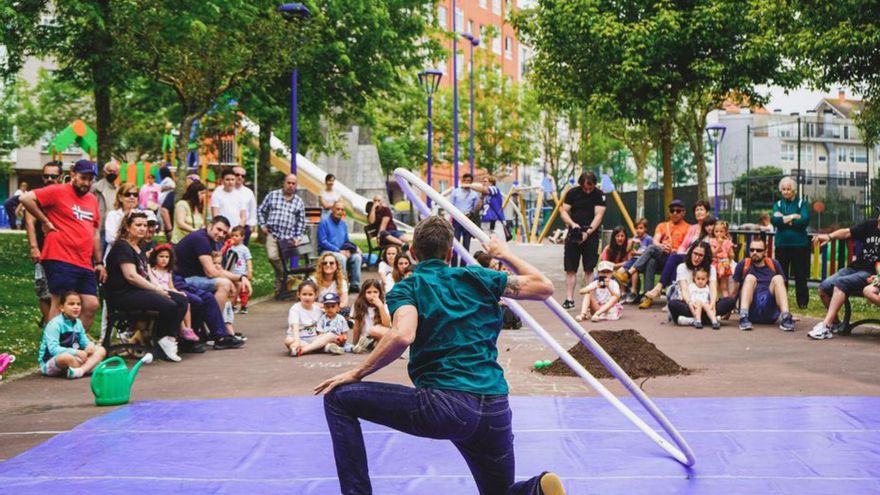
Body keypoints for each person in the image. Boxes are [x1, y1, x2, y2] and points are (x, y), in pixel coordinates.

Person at [314, 215, 565, 495]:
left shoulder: (409, 287)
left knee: (338, 399)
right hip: (494, 406)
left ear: (412, 253)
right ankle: (537, 491)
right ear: (449, 252)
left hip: (445, 404)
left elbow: (402, 335)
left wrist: (356, 373)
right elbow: (544, 287)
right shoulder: (477, 276)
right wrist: (504, 254)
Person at [19, 159, 106, 330]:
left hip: (84, 261)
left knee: (91, 304)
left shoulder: (92, 200)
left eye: (90, 179)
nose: (86, 183)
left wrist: (99, 262)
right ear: (72, 175)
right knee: (59, 303)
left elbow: (95, 232)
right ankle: (52, 348)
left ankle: (72, 342)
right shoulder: (57, 191)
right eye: (83, 178)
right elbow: (26, 198)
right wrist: (45, 221)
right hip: (60, 257)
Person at [105, 210, 190, 362]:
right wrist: (157, 290)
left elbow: (148, 275)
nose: (143, 228)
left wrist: (164, 289)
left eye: (145, 225)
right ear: (127, 227)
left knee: (182, 300)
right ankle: (160, 342)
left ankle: (167, 339)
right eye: (138, 225)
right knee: (169, 305)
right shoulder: (122, 247)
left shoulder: (140, 247)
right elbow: (131, 276)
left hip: (139, 292)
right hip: (124, 295)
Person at [174, 216, 248, 349]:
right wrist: (234, 279)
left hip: (193, 278)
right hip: (181, 279)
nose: (221, 234)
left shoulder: (210, 240)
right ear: (210, 226)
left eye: (224, 233)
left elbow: (215, 270)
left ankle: (218, 330)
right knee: (224, 284)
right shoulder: (201, 239)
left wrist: (239, 278)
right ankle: (217, 331)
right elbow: (211, 272)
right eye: (218, 230)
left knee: (229, 283)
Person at [809, 209, 880, 340]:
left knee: (840, 284)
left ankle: (826, 326)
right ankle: (836, 324)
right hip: (855, 268)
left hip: (871, 274)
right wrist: (829, 236)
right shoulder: (870, 225)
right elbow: (847, 232)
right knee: (824, 287)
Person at [623, 199, 691, 309]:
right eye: (672, 210)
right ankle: (647, 296)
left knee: (651, 256)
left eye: (678, 211)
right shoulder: (662, 226)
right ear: (669, 212)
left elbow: (687, 246)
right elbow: (655, 241)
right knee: (652, 257)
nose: (674, 213)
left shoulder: (689, 228)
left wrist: (674, 249)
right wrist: (662, 246)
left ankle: (629, 273)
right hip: (663, 255)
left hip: (677, 257)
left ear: (684, 212)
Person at [559, 171, 607, 309]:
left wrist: (588, 232)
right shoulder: (573, 193)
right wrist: (573, 224)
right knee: (570, 268)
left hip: (590, 236)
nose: (587, 191)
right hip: (573, 234)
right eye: (585, 188)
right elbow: (563, 211)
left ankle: (591, 299)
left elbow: (599, 215)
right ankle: (569, 299)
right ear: (581, 184)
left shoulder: (600, 195)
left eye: (590, 188)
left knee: (589, 268)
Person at [24, 161, 63, 326]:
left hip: (62, 251)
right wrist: (34, 247)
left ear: (60, 177)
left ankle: (56, 324)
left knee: (61, 291)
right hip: (43, 251)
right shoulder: (36, 196)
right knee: (44, 292)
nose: (49, 179)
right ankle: (48, 324)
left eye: (53, 176)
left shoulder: (64, 195)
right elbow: (29, 222)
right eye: (46, 176)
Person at [666, 241, 736, 329]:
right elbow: (684, 290)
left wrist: (712, 305)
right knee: (673, 304)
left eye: (700, 255)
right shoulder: (682, 267)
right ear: (690, 252)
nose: (697, 257)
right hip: (688, 303)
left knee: (730, 301)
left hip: (706, 304)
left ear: (705, 256)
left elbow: (713, 289)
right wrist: (690, 303)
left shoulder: (711, 269)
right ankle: (709, 319)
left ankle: (691, 320)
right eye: (695, 253)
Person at [38, 291, 106, 379]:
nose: (76, 307)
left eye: (78, 304)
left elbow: (84, 342)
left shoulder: (78, 323)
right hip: (52, 361)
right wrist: (76, 352)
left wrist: (90, 346)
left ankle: (80, 371)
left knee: (101, 350)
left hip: (75, 358)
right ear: (62, 308)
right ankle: (90, 367)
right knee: (66, 358)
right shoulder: (54, 324)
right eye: (71, 304)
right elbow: (53, 349)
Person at [731, 238, 795, 332]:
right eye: (752, 250)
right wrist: (727, 313)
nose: (755, 252)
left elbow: (782, 289)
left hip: (769, 308)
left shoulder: (774, 264)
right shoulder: (743, 264)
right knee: (750, 278)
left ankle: (786, 317)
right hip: (751, 307)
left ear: (765, 252)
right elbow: (734, 292)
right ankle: (743, 317)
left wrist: (787, 311)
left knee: (778, 278)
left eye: (759, 250)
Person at [258, 174, 306, 296]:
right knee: (273, 257)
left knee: (283, 262)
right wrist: (262, 225)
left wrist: (297, 237)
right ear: (283, 183)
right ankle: (285, 277)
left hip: (288, 237)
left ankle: (279, 289)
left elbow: (301, 221)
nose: (290, 185)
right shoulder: (272, 195)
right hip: (272, 234)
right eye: (288, 183)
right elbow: (261, 210)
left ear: (296, 186)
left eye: (293, 183)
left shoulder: (298, 202)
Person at [771, 177, 811, 309]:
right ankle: (781, 301)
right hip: (782, 245)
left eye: (788, 189)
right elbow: (774, 220)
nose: (786, 192)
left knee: (800, 274)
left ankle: (803, 302)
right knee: (781, 274)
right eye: (783, 189)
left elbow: (804, 221)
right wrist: (793, 216)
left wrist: (784, 219)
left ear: (793, 190)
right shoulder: (778, 203)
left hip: (799, 245)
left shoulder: (801, 203)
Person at [147, 244, 198, 342]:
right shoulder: (152, 270)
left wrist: (178, 292)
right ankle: (182, 328)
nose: (164, 259)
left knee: (187, 302)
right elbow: (155, 284)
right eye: (161, 256)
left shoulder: (168, 271)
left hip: (170, 292)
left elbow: (171, 287)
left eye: (167, 257)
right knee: (179, 304)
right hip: (160, 293)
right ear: (155, 257)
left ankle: (188, 329)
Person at [318, 201, 363, 292]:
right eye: (337, 209)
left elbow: (346, 241)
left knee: (357, 257)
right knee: (341, 258)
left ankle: (355, 285)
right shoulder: (324, 222)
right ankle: (343, 285)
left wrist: (353, 248)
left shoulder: (343, 224)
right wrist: (338, 250)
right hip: (327, 251)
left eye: (342, 209)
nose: (340, 211)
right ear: (332, 210)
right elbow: (323, 242)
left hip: (341, 251)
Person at [351, 279, 391, 354]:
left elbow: (387, 325)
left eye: (375, 292)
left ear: (380, 293)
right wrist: (353, 344)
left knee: (375, 331)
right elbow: (357, 327)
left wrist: (381, 307)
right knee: (375, 342)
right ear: (363, 293)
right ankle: (365, 345)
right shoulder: (358, 304)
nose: (372, 295)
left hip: (381, 335)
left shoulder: (384, 304)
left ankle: (370, 345)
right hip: (366, 336)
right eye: (369, 292)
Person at [285, 280, 323, 357]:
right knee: (288, 340)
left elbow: (320, 329)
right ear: (299, 294)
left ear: (315, 295)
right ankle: (323, 348)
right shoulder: (295, 309)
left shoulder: (318, 309)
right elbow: (295, 328)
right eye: (304, 294)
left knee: (330, 335)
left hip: (313, 338)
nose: (307, 297)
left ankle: (302, 349)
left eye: (310, 294)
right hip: (298, 338)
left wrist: (322, 337)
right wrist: (297, 341)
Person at [449, 172, 481, 265]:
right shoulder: (455, 192)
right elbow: (450, 205)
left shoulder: (474, 194)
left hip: (468, 221)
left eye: (469, 181)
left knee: (466, 245)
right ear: (462, 181)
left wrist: (470, 214)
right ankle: (454, 265)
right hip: (456, 219)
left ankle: (463, 266)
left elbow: (475, 209)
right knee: (455, 244)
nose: (467, 182)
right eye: (465, 180)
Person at [161, 174, 201, 241]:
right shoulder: (175, 194)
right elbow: (164, 210)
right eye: (194, 180)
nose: (196, 183)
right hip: (176, 235)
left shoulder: (196, 198)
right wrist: (170, 229)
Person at [103, 183, 140, 253]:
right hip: (115, 253)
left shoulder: (141, 215)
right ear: (120, 198)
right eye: (127, 194)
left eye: (135, 195)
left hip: (135, 254)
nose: (132, 197)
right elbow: (110, 238)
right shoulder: (112, 215)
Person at [224, 226, 253, 314]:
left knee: (243, 290)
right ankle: (233, 305)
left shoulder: (244, 248)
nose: (234, 237)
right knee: (233, 290)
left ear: (242, 237)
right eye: (232, 235)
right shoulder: (230, 248)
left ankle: (244, 305)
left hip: (242, 273)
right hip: (232, 273)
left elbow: (248, 260)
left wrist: (250, 271)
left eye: (236, 236)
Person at [92, 160, 119, 245]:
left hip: (113, 228)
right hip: (100, 227)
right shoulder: (96, 188)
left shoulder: (118, 189)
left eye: (114, 171)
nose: (112, 173)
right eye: (109, 171)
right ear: (104, 172)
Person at [233, 166, 258, 245]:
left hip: (244, 228)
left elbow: (253, 209)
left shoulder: (248, 192)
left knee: (242, 252)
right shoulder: (224, 191)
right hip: (228, 227)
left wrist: (251, 226)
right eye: (237, 175)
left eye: (242, 176)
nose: (240, 177)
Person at [710, 220, 735, 298]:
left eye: (721, 231)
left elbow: (732, 255)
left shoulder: (728, 242)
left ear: (725, 232)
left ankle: (726, 302)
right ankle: (715, 302)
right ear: (713, 232)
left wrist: (728, 254)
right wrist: (719, 245)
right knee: (715, 286)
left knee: (724, 287)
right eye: (716, 231)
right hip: (714, 265)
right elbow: (713, 253)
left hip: (724, 265)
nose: (718, 233)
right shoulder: (711, 241)